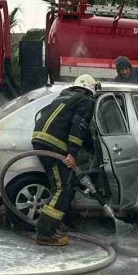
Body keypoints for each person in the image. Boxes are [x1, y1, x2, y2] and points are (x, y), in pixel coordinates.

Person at [30, 74, 99, 246]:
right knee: (63, 188)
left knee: (66, 182)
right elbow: (79, 126)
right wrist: (72, 154)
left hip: (41, 139)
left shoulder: (64, 96)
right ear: (91, 88)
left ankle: (62, 222)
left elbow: (72, 125)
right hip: (54, 145)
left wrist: (90, 147)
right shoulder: (86, 99)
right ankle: (45, 233)